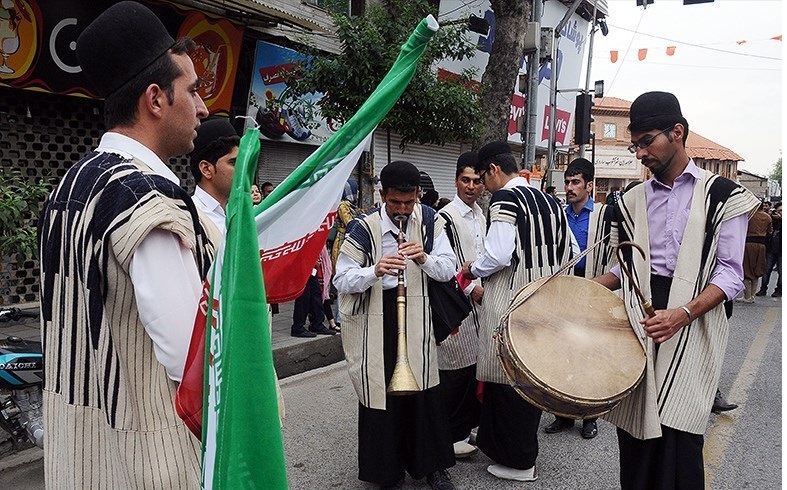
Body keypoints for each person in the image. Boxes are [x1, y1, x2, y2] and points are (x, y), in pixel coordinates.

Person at [37, 2, 212, 488]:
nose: (202, 109)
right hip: (150, 460)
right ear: (155, 100)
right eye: (193, 92)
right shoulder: (145, 199)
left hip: (82, 452)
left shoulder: (68, 188)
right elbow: (191, 358)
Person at [592, 91, 759, 490]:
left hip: (692, 323)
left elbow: (731, 274)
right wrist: (574, 292)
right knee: (634, 433)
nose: (640, 153)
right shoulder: (631, 199)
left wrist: (682, 314)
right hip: (639, 320)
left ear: (677, 132)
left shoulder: (722, 195)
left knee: (679, 435)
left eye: (647, 141)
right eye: (635, 145)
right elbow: (624, 267)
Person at [334, 160, 457, 490]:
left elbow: (448, 269)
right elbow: (341, 280)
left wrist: (425, 258)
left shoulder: (431, 221)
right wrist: (374, 270)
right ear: (382, 195)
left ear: (418, 195)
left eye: (408, 202)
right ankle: (386, 471)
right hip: (378, 316)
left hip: (418, 312)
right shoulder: (363, 228)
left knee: (424, 390)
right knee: (381, 393)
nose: (402, 210)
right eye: (394, 203)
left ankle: (432, 466)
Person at [460, 141, 573, 482]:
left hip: (512, 298)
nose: (482, 186)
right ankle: (514, 450)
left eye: (483, 177)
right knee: (530, 377)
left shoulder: (505, 198)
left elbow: (497, 254)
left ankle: (519, 461)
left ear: (493, 169)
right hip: (545, 298)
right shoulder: (550, 200)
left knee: (508, 379)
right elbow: (572, 248)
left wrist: (471, 268)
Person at [544, 157, 618, 440]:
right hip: (563, 294)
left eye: (576, 182)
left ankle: (589, 416)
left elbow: (616, 257)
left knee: (589, 357)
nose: (570, 187)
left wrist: (603, 286)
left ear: (590, 185)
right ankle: (562, 415)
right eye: (567, 182)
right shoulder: (557, 215)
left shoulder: (605, 214)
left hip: (593, 292)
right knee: (561, 355)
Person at [435, 151, 485, 459]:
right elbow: (446, 268)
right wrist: (472, 290)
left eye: (477, 181)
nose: (471, 186)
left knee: (471, 370)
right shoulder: (445, 218)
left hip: (480, 307)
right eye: (465, 180)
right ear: (456, 181)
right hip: (457, 304)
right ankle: (447, 436)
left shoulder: (482, 214)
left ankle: (462, 431)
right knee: (452, 372)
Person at [189, 117, 240, 235]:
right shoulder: (190, 217)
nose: (242, 170)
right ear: (206, 169)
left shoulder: (238, 213)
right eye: (233, 163)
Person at [291, 241, 337, 338]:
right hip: (304, 260)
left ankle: (317, 323)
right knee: (304, 295)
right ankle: (298, 327)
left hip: (310, 260)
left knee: (315, 293)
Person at [740, 202, 772, 302]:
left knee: (746, 270)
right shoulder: (767, 217)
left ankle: (747, 296)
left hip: (748, 244)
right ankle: (752, 295)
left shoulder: (748, 216)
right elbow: (770, 231)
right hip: (761, 245)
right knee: (756, 270)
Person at [757, 201, 782, 297]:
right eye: (778, 211)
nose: (779, 213)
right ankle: (763, 289)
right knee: (766, 270)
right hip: (771, 250)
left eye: (782, 211)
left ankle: (779, 290)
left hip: (781, 251)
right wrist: (772, 217)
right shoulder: (772, 220)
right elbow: (768, 230)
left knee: (781, 272)